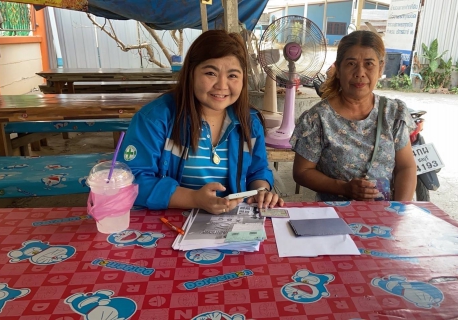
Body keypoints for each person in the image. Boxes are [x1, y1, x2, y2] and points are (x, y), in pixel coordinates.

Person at [118, 30, 284, 214]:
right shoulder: (155, 119)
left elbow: (257, 170)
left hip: (232, 224)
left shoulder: (249, 122)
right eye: (211, 73)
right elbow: (131, 180)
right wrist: (194, 199)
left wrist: (261, 191)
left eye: (232, 75)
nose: (222, 85)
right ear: (191, 74)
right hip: (170, 222)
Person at [290, 30, 417, 202]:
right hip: (333, 217)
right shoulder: (318, 119)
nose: (360, 72)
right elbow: (302, 172)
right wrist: (343, 188)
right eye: (351, 64)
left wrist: (399, 212)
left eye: (369, 64)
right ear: (338, 69)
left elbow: (406, 167)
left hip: (385, 217)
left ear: (381, 69)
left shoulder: (393, 113)